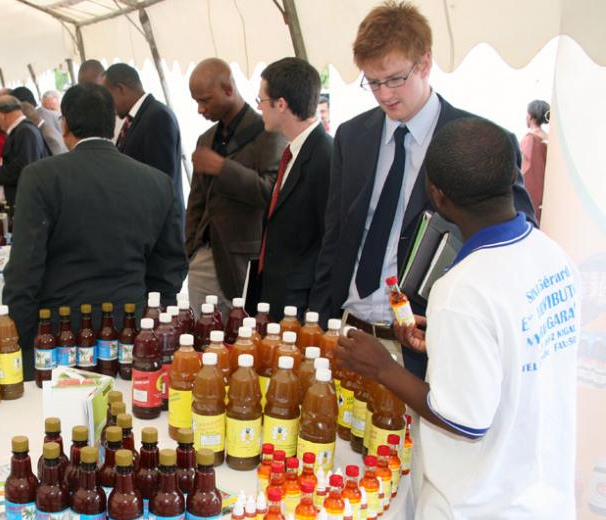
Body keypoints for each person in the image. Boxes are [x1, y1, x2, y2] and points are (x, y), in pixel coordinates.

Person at [335, 117, 579, 520]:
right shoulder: (552, 255)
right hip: (541, 505)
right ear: (514, 174)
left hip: (477, 515)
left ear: (437, 196)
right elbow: (514, 351)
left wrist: (382, 368)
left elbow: (465, 421)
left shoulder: (463, 289)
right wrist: (444, 347)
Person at [309, 0, 536, 378]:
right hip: (349, 333)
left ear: (425, 63)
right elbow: (334, 233)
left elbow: (515, 240)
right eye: (373, 82)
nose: (384, 95)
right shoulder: (352, 136)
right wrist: (319, 321)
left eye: (396, 79)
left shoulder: (478, 141)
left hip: (426, 345)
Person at [3, 83, 187, 380]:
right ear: (113, 124)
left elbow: (24, 272)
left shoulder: (41, 177)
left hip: (62, 337)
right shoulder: (157, 182)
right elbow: (169, 272)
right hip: (131, 336)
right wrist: (151, 331)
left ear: (64, 125)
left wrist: (21, 348)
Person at [186, 58, 287, 317]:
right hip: (205, 259)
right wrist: (191, 249)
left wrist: (223, 168)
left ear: (228, 90)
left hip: (245, 263)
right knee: (201, 342)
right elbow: (195, 202)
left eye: (205, 100)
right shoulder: (205, 139)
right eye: (196, 101)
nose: (200, 109)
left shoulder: (269, 134)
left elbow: (273, 194)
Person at [247, 57, 332, 321]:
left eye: (261, 101)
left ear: (281, 104)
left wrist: (313, 310)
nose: (259, 108)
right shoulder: (293, 150)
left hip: (300, 303)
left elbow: (328, 241)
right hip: (276, 292)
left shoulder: (326, 156)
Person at [103, 63, 185, 225]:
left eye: (108, 97)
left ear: (121, 89)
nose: (107, 105)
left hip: (158, 225)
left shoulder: (157, 116)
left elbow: (160, 179)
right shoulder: (137, 117)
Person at [0, 95, 49, 206]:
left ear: (0, 115)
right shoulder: (23, 130)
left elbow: (23, 168)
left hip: (28, 203)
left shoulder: (25, 131)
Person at [521, 99, 550, 223]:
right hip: (545, 192)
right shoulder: (548, 138)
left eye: (527, 114)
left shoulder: (531, 139)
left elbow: (525, 169)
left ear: (531, 116)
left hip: (531, 193)